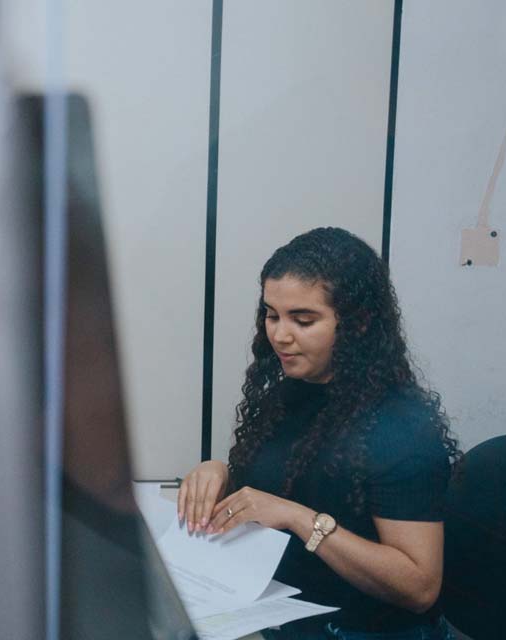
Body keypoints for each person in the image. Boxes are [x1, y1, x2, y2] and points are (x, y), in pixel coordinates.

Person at [177, 227, 461, 639]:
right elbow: (281, 489)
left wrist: (300, 519)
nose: (280, 335)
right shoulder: (292, 393)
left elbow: (419, 587)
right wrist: (219, 473)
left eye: (303, 320)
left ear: (358, 323)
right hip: (285, 615)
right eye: (272, 315)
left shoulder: (401, 428)